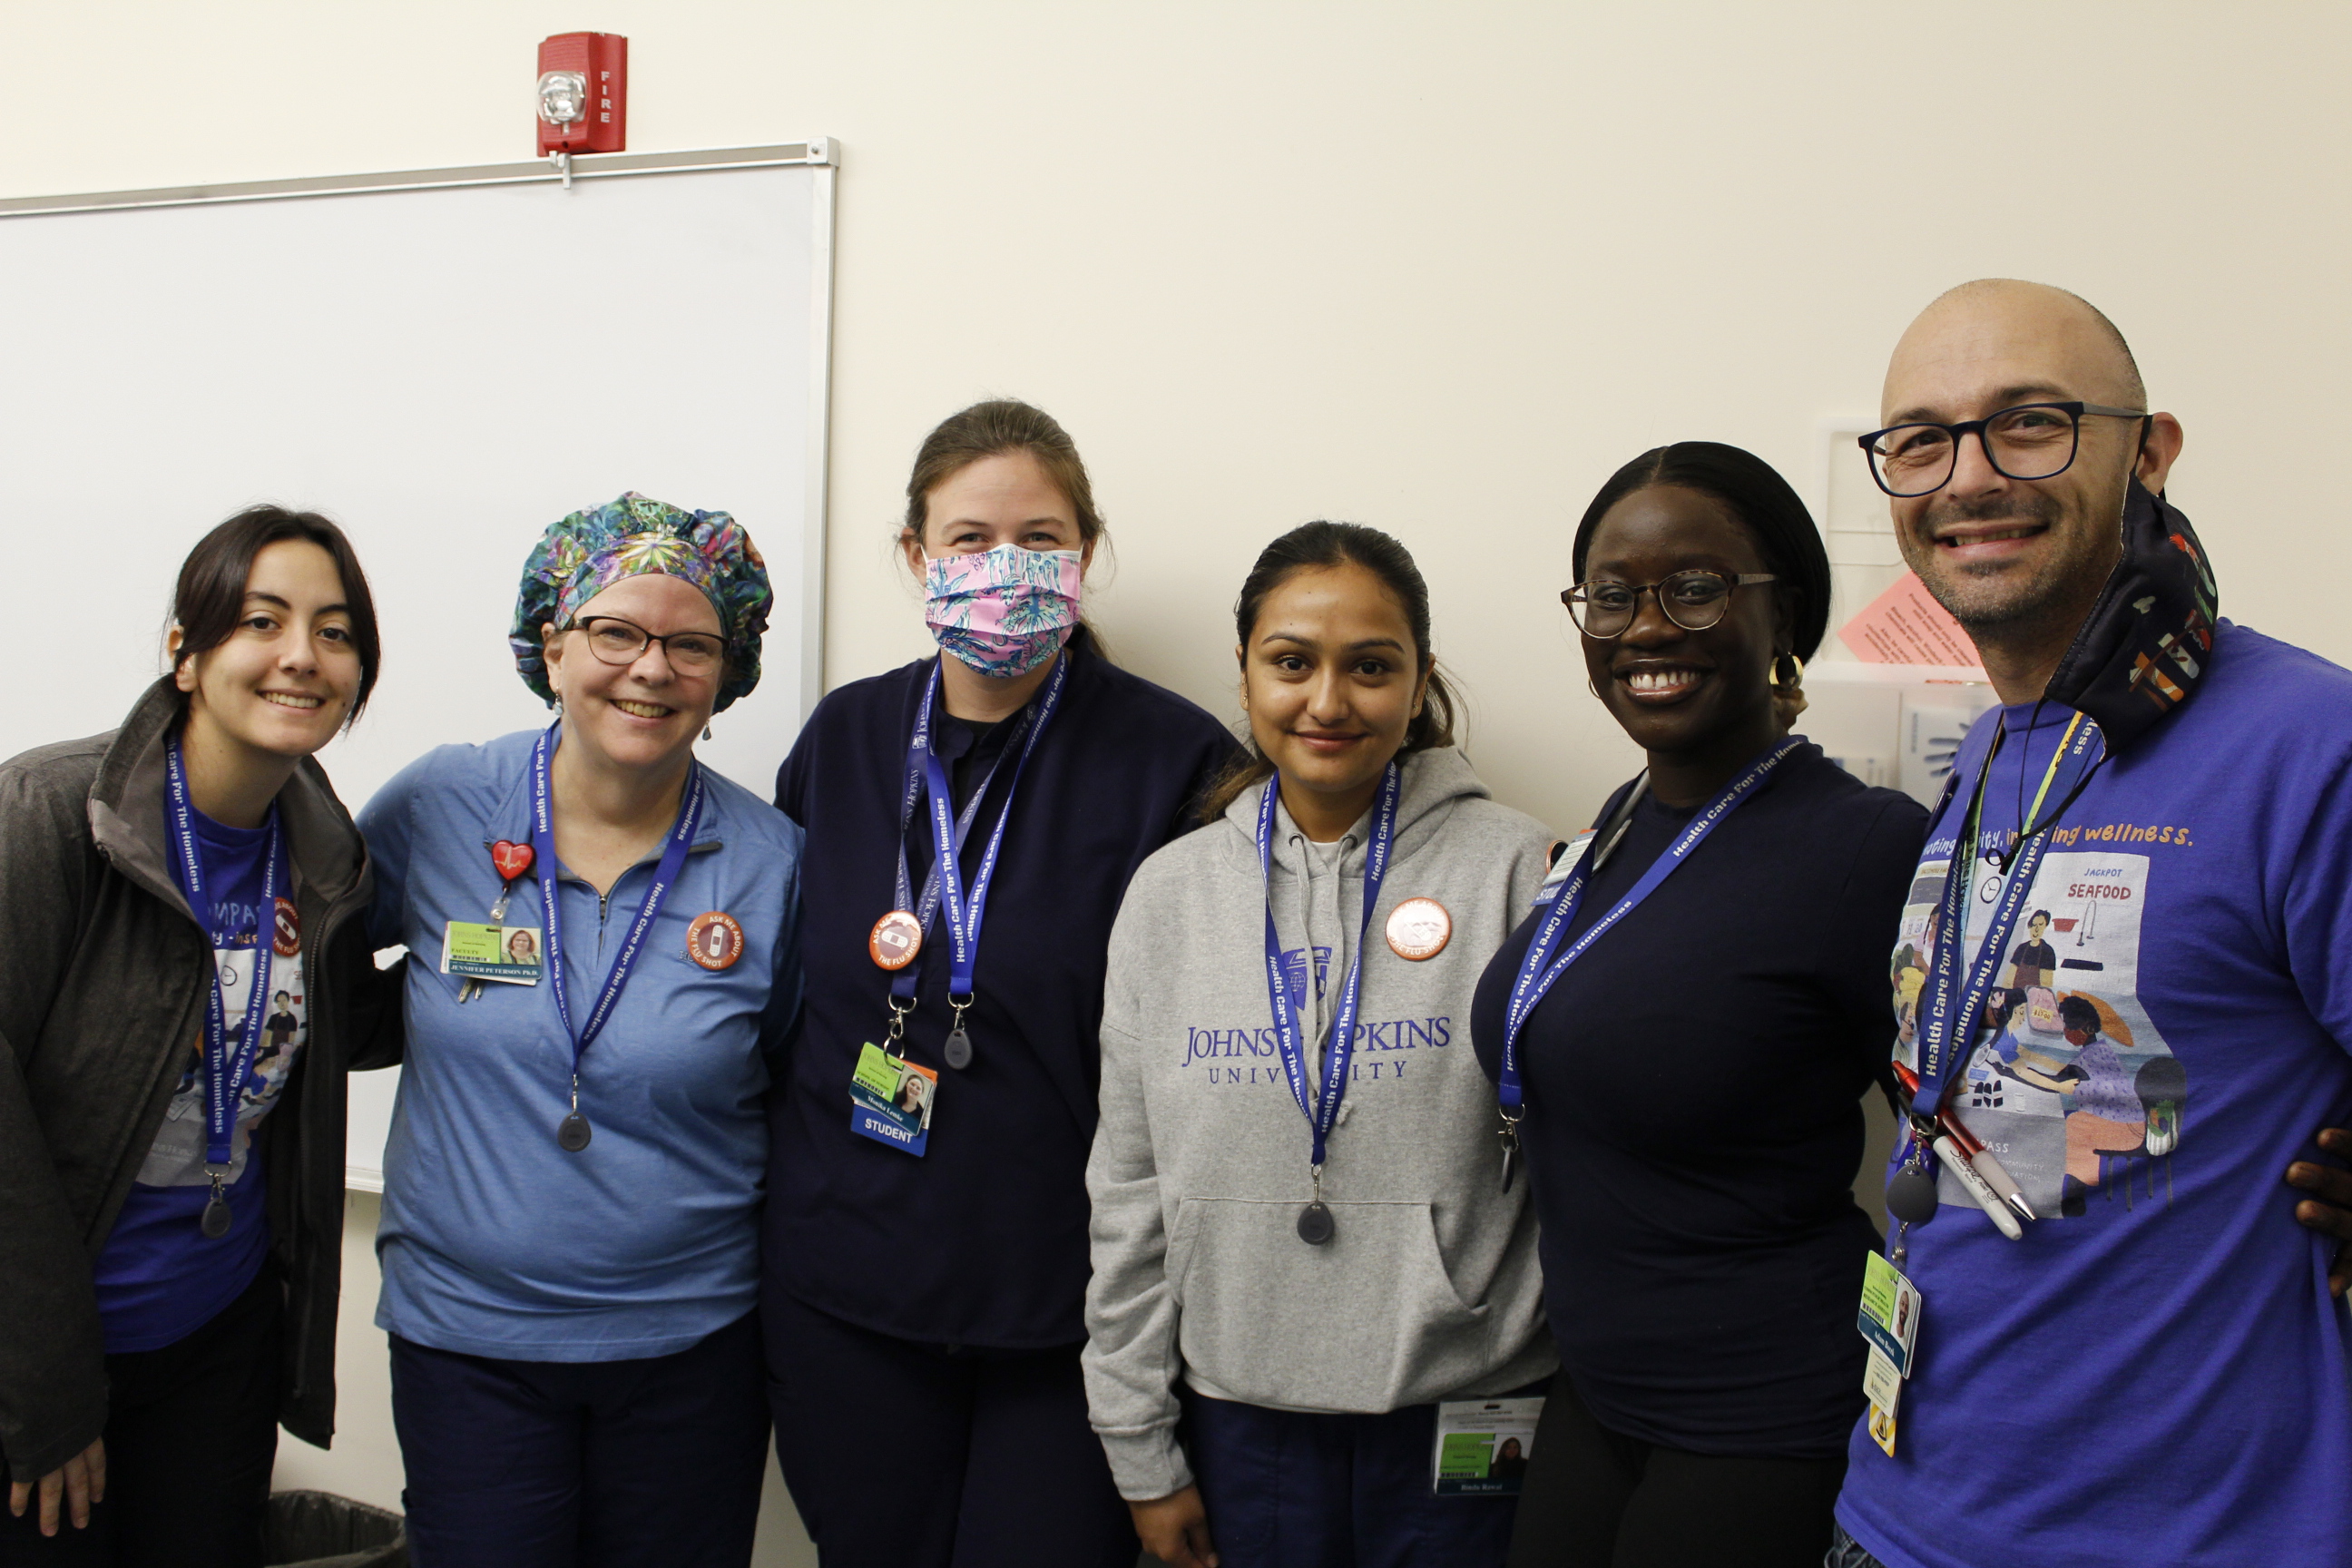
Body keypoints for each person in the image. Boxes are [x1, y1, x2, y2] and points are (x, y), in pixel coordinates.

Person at [1828, 279, 2352, 1568]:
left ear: (2151, 450)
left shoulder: (2313, 746)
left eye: (2031, 423)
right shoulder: (1997, 760)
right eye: (1924, 439)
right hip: (1896, 1519)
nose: (1969, 475)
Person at [765, 401, 1237, 1567]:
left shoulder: (1177, 759)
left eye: (1040, 536)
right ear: (915, 556)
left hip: (1071, 1315)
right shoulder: (845, 735)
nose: (1003, 567)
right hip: (843, 1295)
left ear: (1085, 552)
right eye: (969, 540)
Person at [1467, 444, 1929, 1568]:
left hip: (1763, 1415)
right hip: (1598, 1395)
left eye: (1697, 588)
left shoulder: (1867, 849)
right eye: (1613, 596)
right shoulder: (1617, 824)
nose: (1646, 628)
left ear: (1787, 619)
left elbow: (2015, 1134)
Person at [1086, 522, 1554, 1568]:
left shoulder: (1522, 872)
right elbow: (1128, 1188)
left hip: (1466, 1417)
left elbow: (1576, 1159)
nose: (1329, 702)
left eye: (1371, 667)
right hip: (1241, 1422)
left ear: (1421, 681)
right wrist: (1139, 1448)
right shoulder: (1171, 896)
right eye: (1292, 662)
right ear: (1246, 671)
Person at [358, 494, 801, 1568]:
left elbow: (790, 1080)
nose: (650, 668)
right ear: (551, 647)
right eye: (616, 632)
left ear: (726, 674)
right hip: (468, 1343)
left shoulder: (773, 861)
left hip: (692, 1351)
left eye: (691, 644)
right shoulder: (444, 802)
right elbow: (314, 960)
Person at [0, 506, 398, 1565]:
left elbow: (348, 1026)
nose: (302, 657)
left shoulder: (318, 844)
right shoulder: (51, 813)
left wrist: (529, 953)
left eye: (336, 631)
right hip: (47, 1353)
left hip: (216, 1342)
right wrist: (45, 1392)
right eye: (262, 621)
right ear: (186, 653)